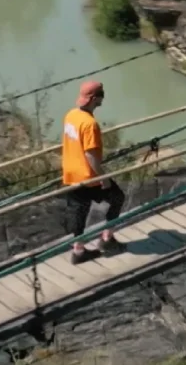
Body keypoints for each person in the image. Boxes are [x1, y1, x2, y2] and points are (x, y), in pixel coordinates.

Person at [62, 81, 127, 264]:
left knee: (79, 212)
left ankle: (78, 251)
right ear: (95, 99)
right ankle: (107, 239)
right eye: (101, 96)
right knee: (117, 197)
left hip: (70, 173)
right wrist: (103, 178)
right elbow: (90, 155)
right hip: (88, 176)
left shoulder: (71, 115)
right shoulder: (90, 124)